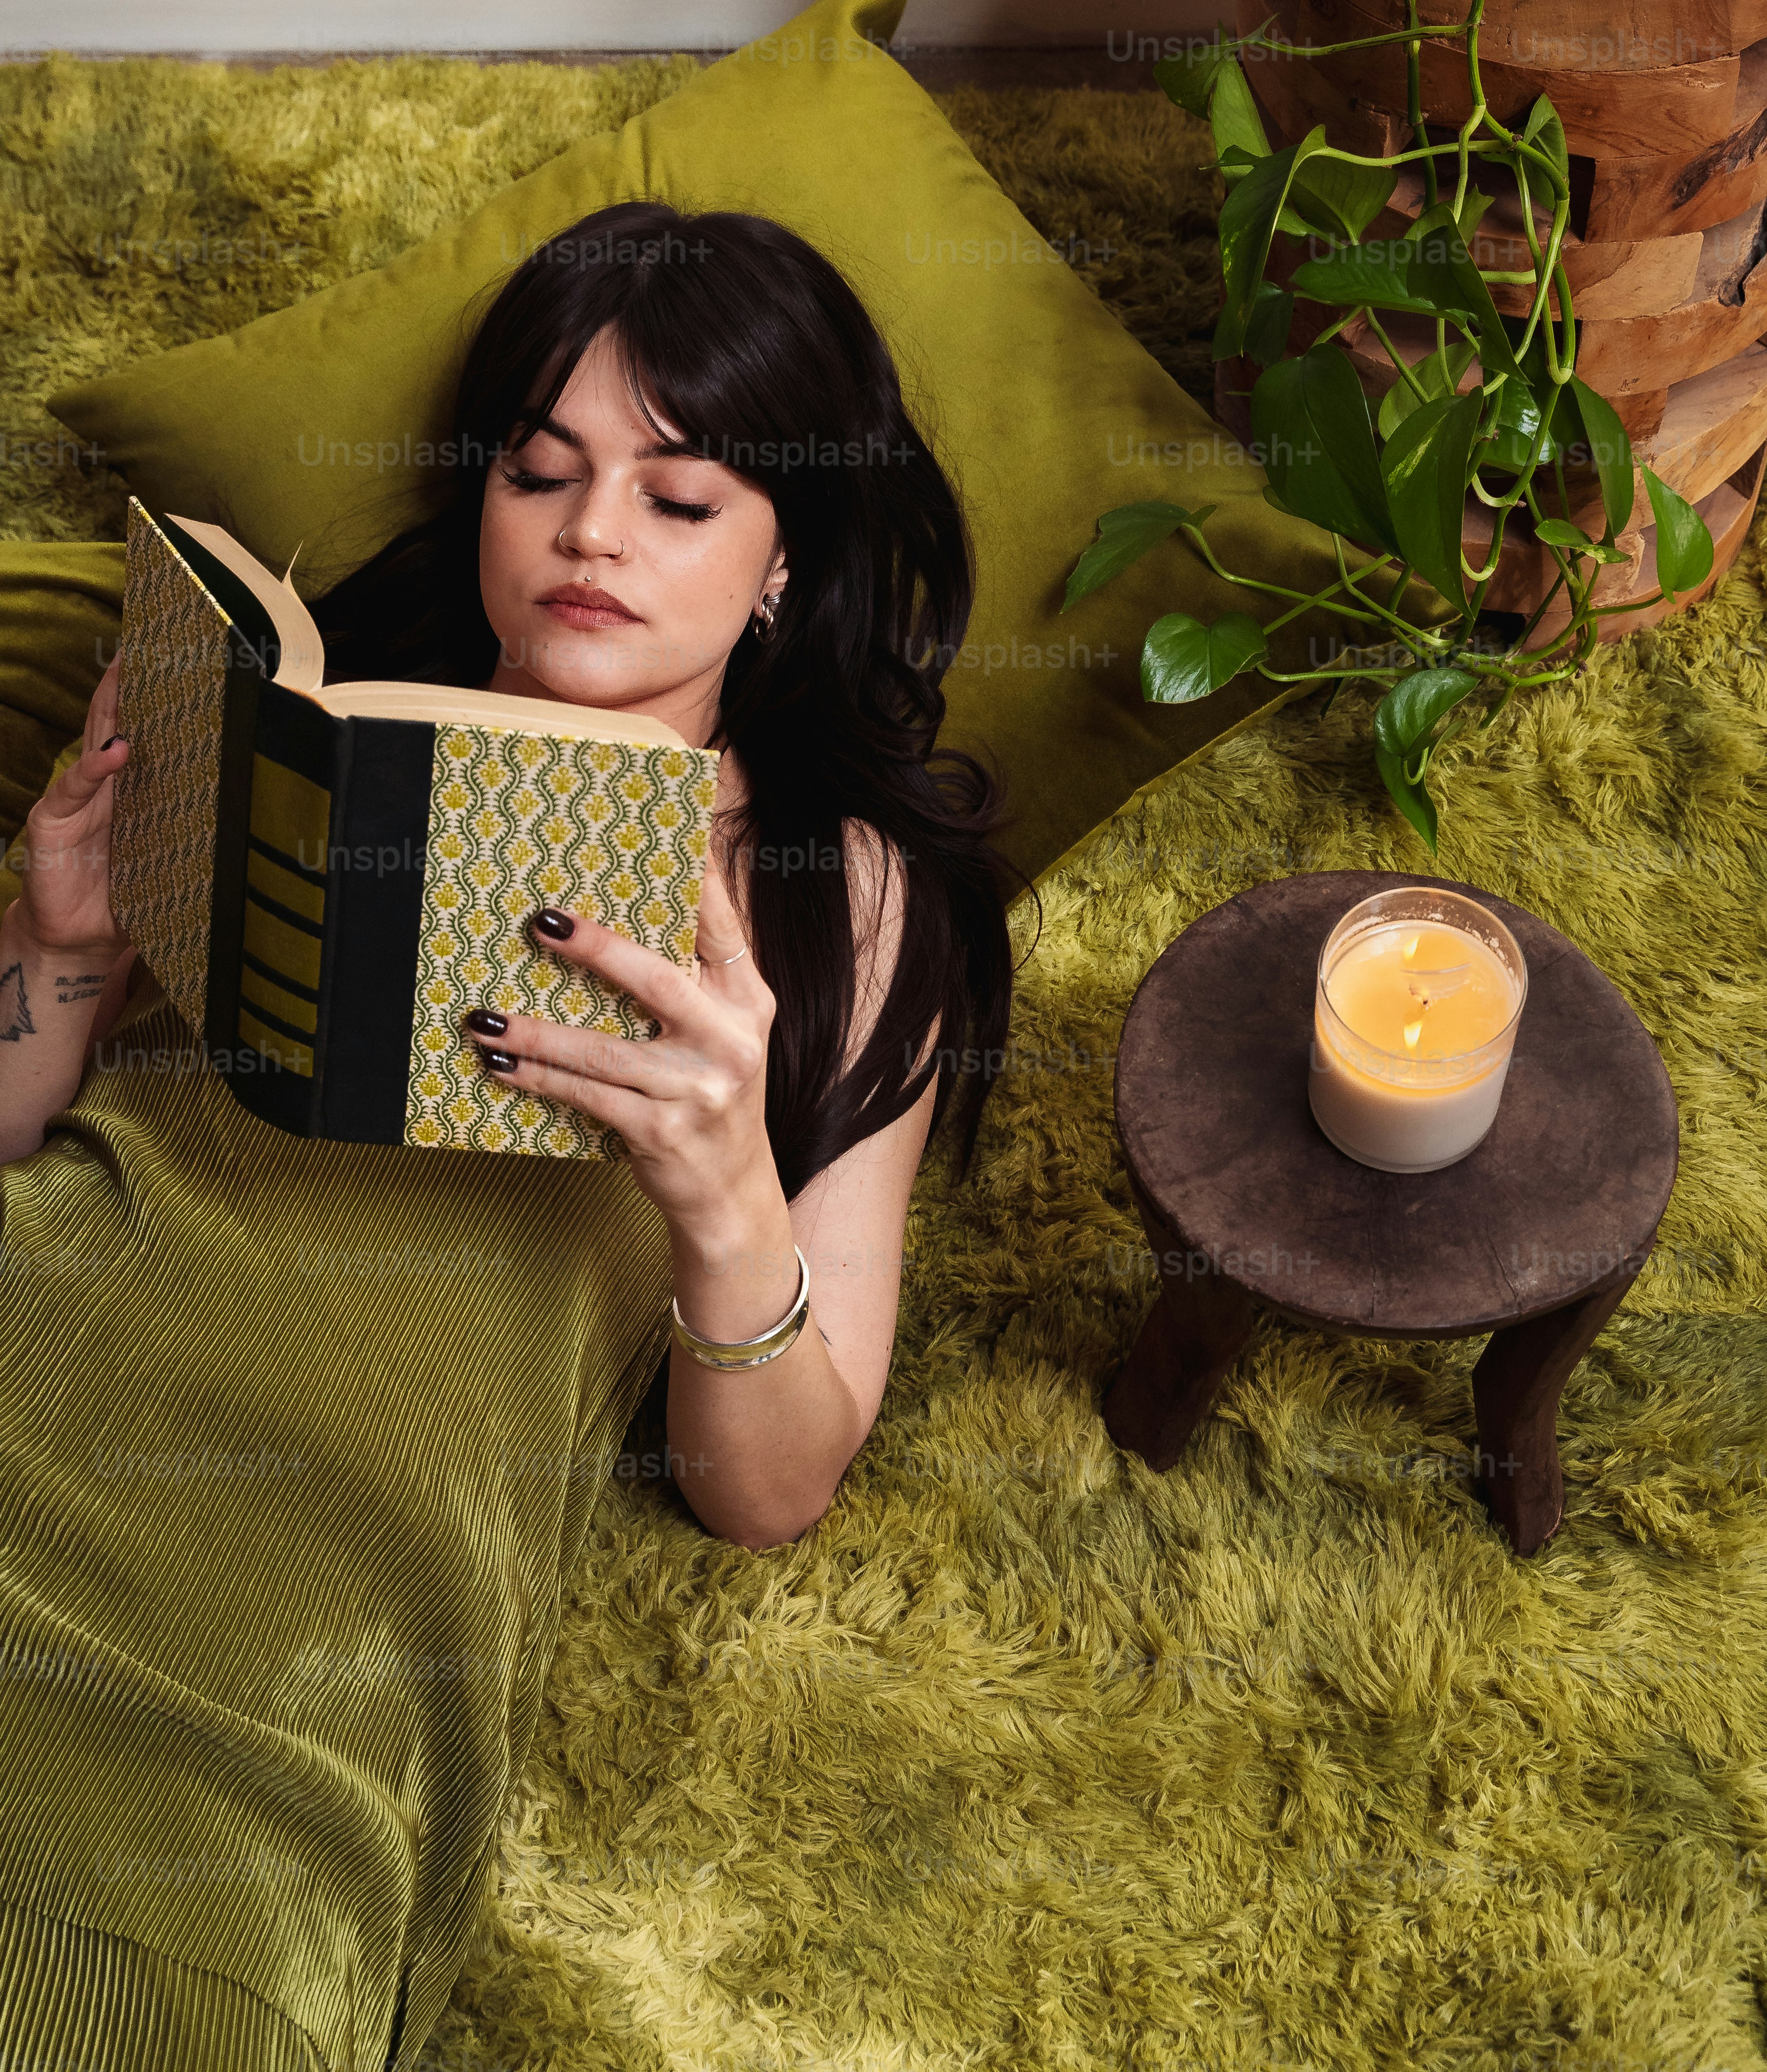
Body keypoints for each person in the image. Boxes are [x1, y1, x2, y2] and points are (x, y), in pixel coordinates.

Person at [0, 203, 1013, 2071]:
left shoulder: (846, 906)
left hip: (295, 1650)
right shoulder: (304, 729)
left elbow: (775, 1487)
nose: (592, 533)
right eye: (540, 474)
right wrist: (56, 941)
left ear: (789, 562)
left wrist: (722, 1202)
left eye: (681, 496)